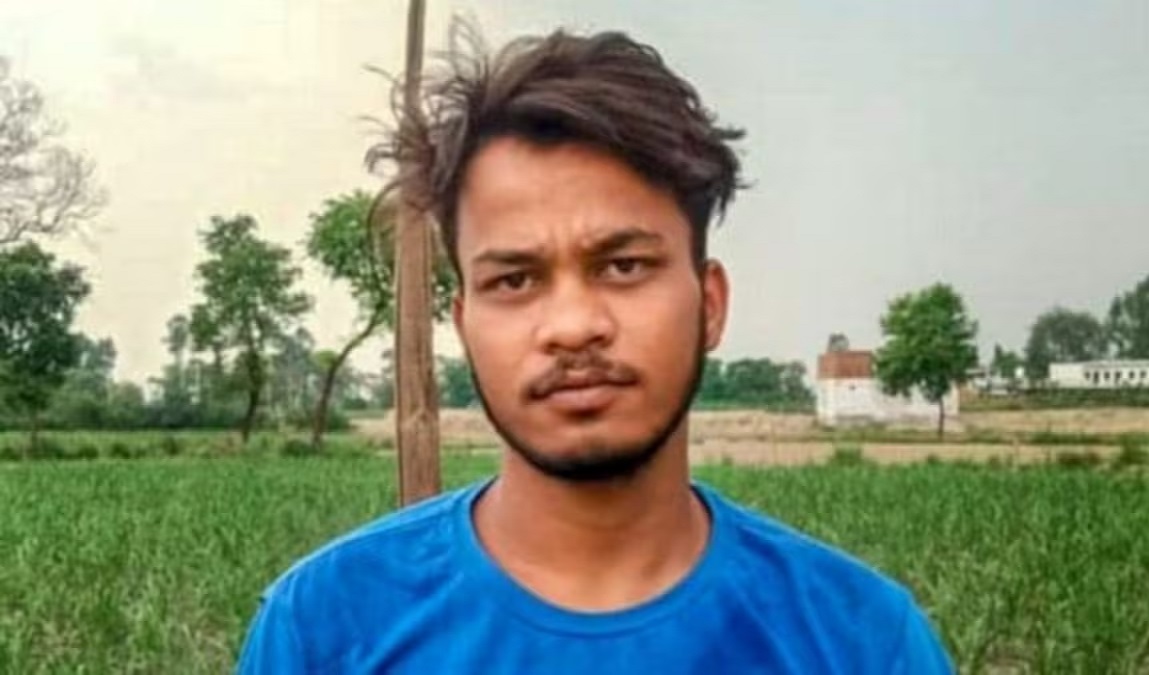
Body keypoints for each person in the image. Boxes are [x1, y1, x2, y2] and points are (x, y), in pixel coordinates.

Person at [238, 23, 954, 674]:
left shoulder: (861, 642)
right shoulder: (325, 630)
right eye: (515, 279)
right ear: (463, 323)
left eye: (623, 266)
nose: (573, 325)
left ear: (709, 305)